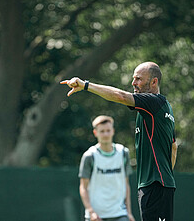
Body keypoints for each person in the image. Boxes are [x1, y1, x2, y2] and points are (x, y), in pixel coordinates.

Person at [61, 61, 178, 221]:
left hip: (154, 185)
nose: (133, 83)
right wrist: (165, 175)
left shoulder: (152, 102)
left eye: (138, 79)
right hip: (162, 184)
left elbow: (120, 96)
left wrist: (85, 85)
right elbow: (174, 148)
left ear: (153, 82)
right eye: (133, 78)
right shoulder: (165, 107)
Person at [79, 115, 135, 221]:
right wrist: (91, 212)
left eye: (108, 130)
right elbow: (83, 187)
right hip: (96, 216)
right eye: (102, 131)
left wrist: (129, 213)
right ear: (95, 133)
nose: (106, 134)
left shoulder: (123, 153)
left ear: (113, 131)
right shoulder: (90, 156)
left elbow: (126, 184)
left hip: (120, 214)